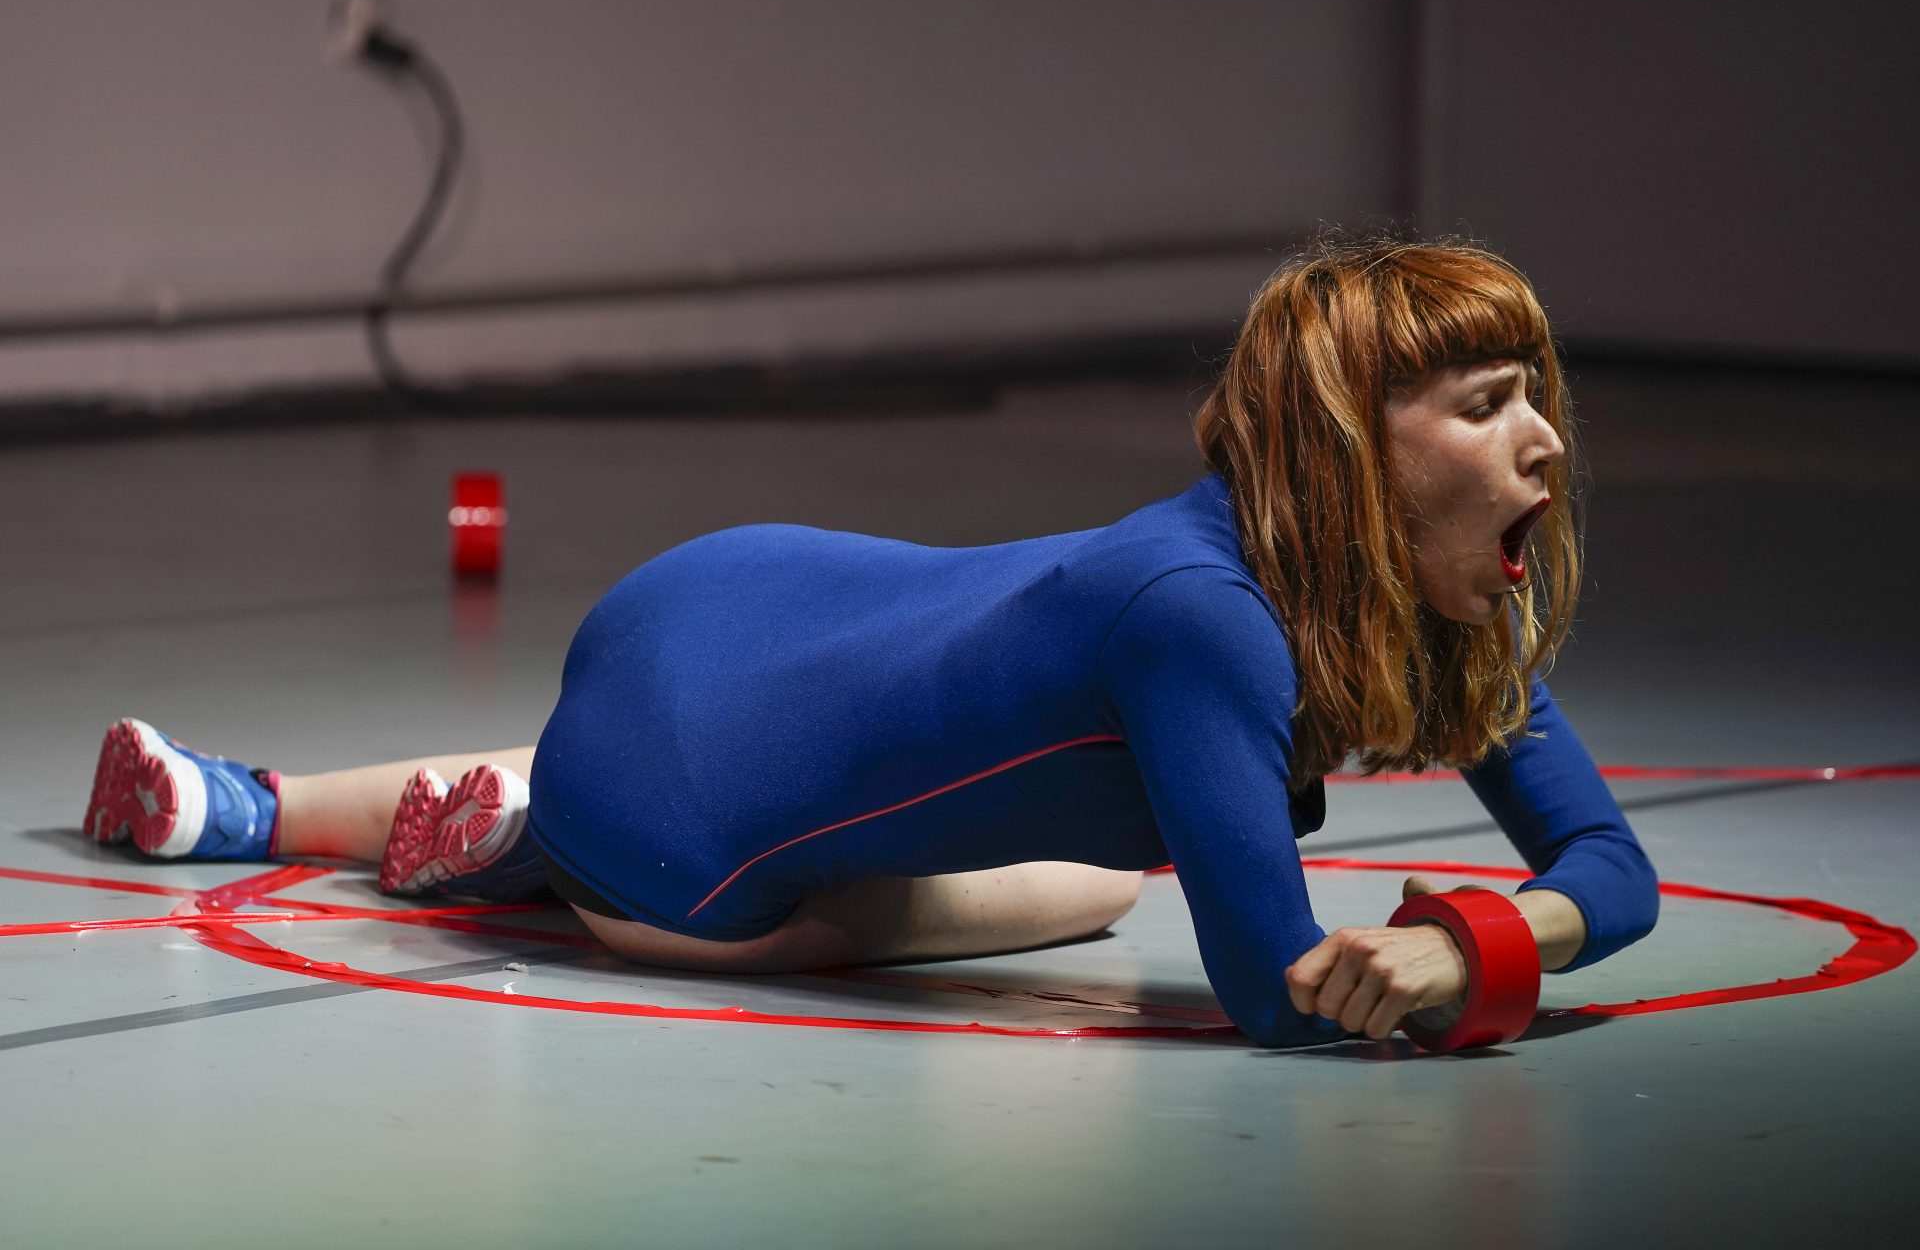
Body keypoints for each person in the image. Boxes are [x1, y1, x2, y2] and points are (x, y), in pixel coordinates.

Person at [81, 233, 1660, 1049]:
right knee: (1082, 889)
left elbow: (1611, 865)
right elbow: (1273, 992)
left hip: (730, 593)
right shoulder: (1204, 626)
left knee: (1031, 842)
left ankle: (243, 803)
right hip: (678, 849)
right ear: (1349, 450)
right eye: (1484, 406)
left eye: (1533, 397)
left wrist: (1478, 937)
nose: (1543, 442)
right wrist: (1486, 952)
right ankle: (536, 856)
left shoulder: (1403, 603)